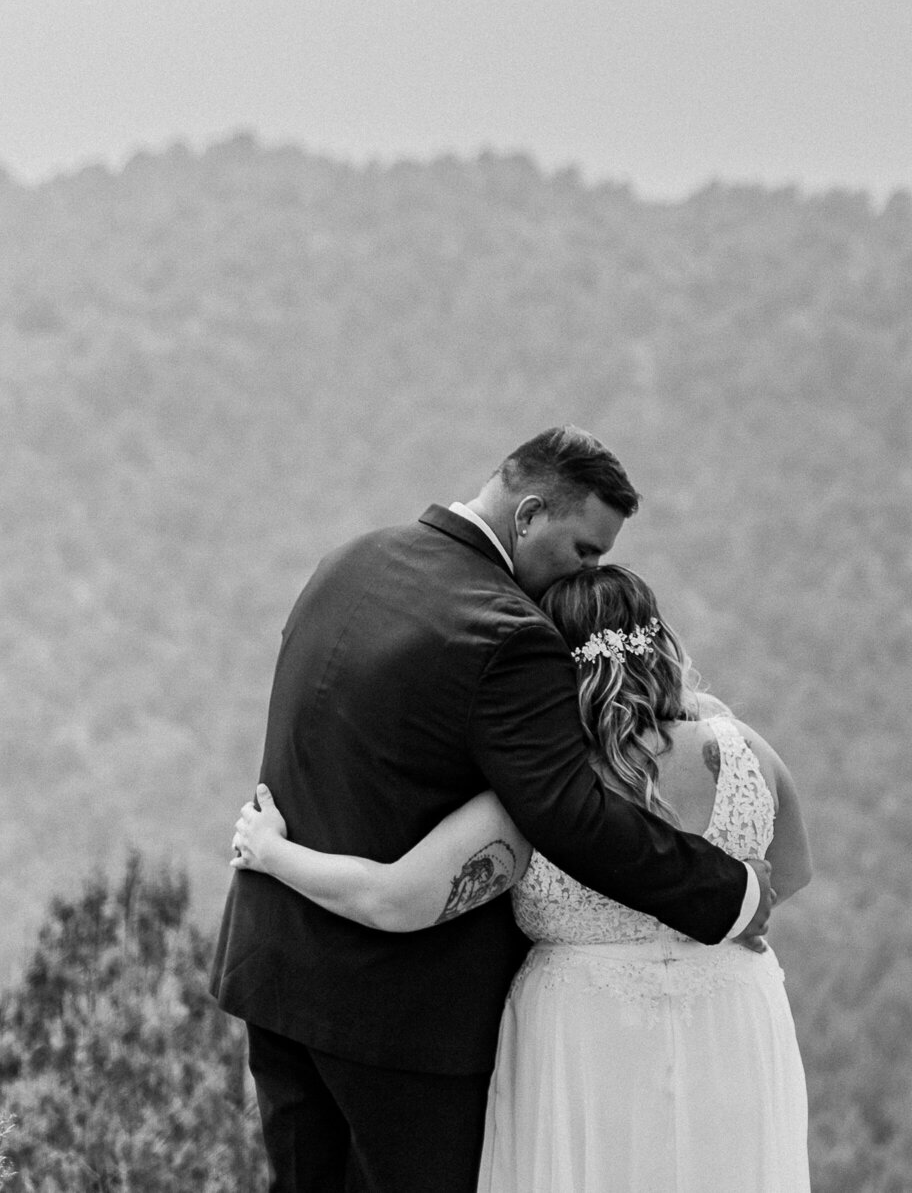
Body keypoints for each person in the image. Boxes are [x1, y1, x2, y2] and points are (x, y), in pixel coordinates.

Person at [211, 427, 774, 1193]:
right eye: (584, 551)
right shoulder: (508, 632)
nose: (590, 573)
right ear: (529, 513)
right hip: (400, 1022)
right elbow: (571, 816)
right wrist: (731, 892)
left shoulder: (349, 561)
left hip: (275, 974)